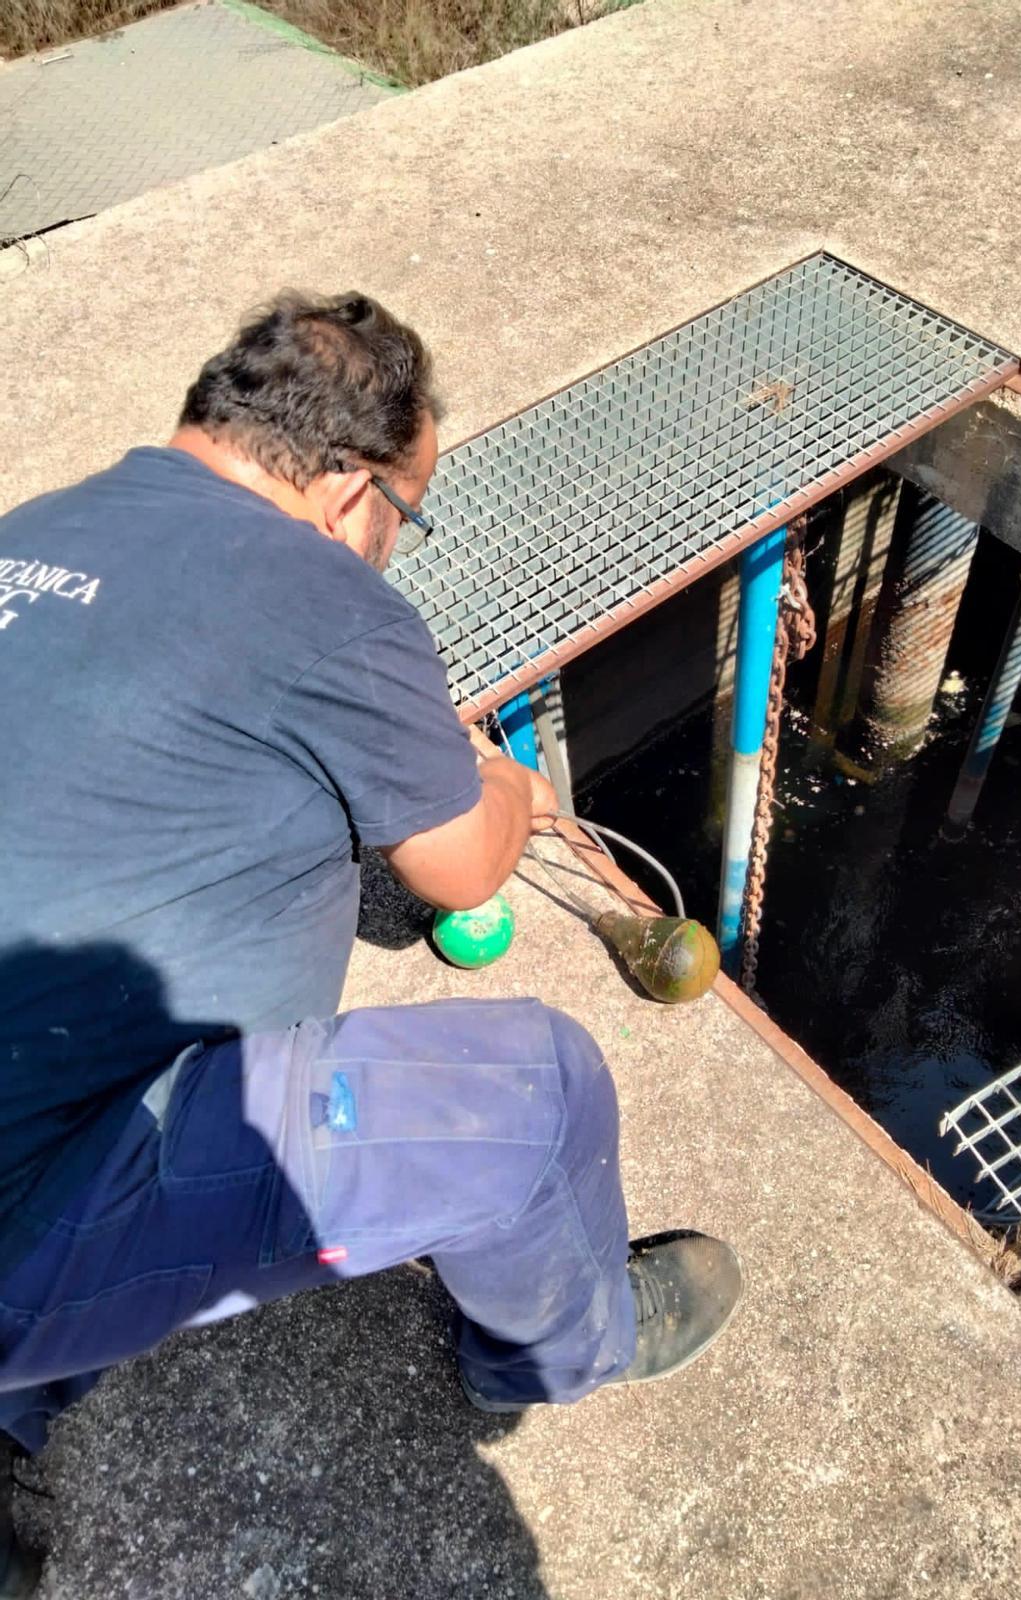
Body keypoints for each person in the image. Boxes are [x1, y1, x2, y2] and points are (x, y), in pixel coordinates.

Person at [0, 292, 742, 1595]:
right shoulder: (332, 600)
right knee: (540, 1096)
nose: (393, 546)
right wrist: (500, 785)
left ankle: (32, 1428)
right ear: (356, 494)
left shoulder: (33, 536)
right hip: (33, 1205)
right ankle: (566, 1346)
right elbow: (460, 862)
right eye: (408, 517)